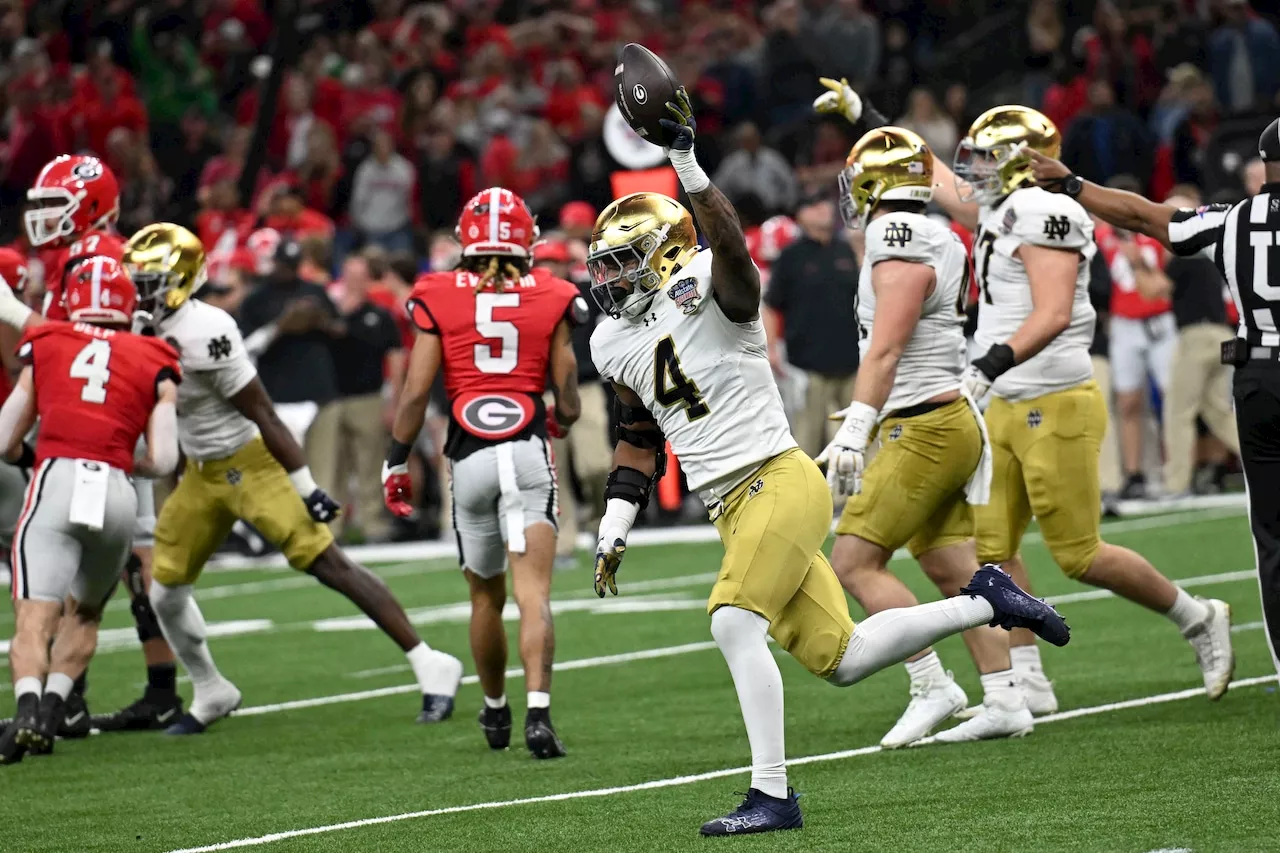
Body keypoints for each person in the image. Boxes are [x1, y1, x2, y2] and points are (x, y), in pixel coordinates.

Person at [589, 88, 1069, 836]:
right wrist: (616, 520)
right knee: (840, 657)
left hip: (778, 479)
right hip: (729, 504)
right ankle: (990, 601)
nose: (609, 279)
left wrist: (684, 161)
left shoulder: (711, 289)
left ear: (664, 255)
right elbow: (637, 436)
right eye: (604, 266)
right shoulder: (610, 340)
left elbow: (734, 254)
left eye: (622, 262)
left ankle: (773, 795)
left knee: (732, 622)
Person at [813, 82, 1234, 713]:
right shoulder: (999, 208)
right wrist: (866, 119)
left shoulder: (1043, 211)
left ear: (1021, 160)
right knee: (991, 550)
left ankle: (1197, 615)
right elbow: (921, 169)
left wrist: (991, 361)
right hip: (996, 399)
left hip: (1053, 394)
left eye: (985, 156)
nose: (970, 169)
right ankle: (1028, 678)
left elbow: (1056, 311)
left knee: (1079, 555)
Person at [0, 222, 463, 734]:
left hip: (249, 462)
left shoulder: (207, 330)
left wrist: (307, 487)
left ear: (180, 281)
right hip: (199, 472)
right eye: (135, 277)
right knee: (166, 592)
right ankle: (211, 688)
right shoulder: (134, 325)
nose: (138, 288)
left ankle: (429, 660)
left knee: (326, 563)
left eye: (149, 279)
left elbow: (262, 411)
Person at [1022, 115, 1280, 680]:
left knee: (1273, 534)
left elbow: (1142, 215)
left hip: (1261, 379)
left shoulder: (1234, 219)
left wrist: (1071, 183)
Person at [820, 127, 1031, 748]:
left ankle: (930, 683)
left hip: (926, 424)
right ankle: (1006, 695)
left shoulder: (897, 236)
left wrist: (857, 427)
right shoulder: (937, 232)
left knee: (854, 563)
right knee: (949, 566)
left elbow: (886, 348)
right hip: (941, 418)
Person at [383, 188, 584, 759]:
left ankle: (495, 709)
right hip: (524, 448)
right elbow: (567, 396)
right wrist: (559, 418)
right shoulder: (553, 292)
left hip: (468, 455)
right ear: (528, 238)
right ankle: (539, 714)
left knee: (484, 599)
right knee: (534, 594)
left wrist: (395, 461)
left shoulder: (436, 293)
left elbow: (416, 391)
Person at [23, 154, 185, 734]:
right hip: (119, 415)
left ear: (89, 208)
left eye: (53, 207)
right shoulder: (80, 257)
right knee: (114, 554)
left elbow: (64, 344)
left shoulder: (97, 258)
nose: (40, 218)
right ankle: (125, 689)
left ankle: (82, 694)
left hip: (108, 421)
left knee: (110, 554)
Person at [0, 257, 181, 763]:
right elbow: (164, 458)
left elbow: (3, 439)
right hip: (117, 492)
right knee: (87, 613)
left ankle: (28, 711)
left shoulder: (49, 341)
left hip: (57, 479)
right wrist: (126, 461)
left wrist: (31, 457)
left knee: (35, 617)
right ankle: (54, 708)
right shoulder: (154, 354)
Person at [762, 193, 860, 458]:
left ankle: (855, 495)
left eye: (824, 202)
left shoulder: (847, 251)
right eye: (814, 204)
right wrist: (772, 348)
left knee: (858, 436)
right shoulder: (791, 257)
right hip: (808, 365)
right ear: (801, 215)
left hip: (852, 360)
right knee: (807, 441)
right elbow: (771, 305)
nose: (823, 209)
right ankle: (808, 495)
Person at [1159, 185, 1241, 497]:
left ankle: (1175, 484)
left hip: (1197, 337)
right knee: (1219, 412)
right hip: (1223, 335)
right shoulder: (1211, 249)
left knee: (1178, 411)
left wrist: (1138, 262)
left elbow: (1155, 290)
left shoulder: (1186, 253)